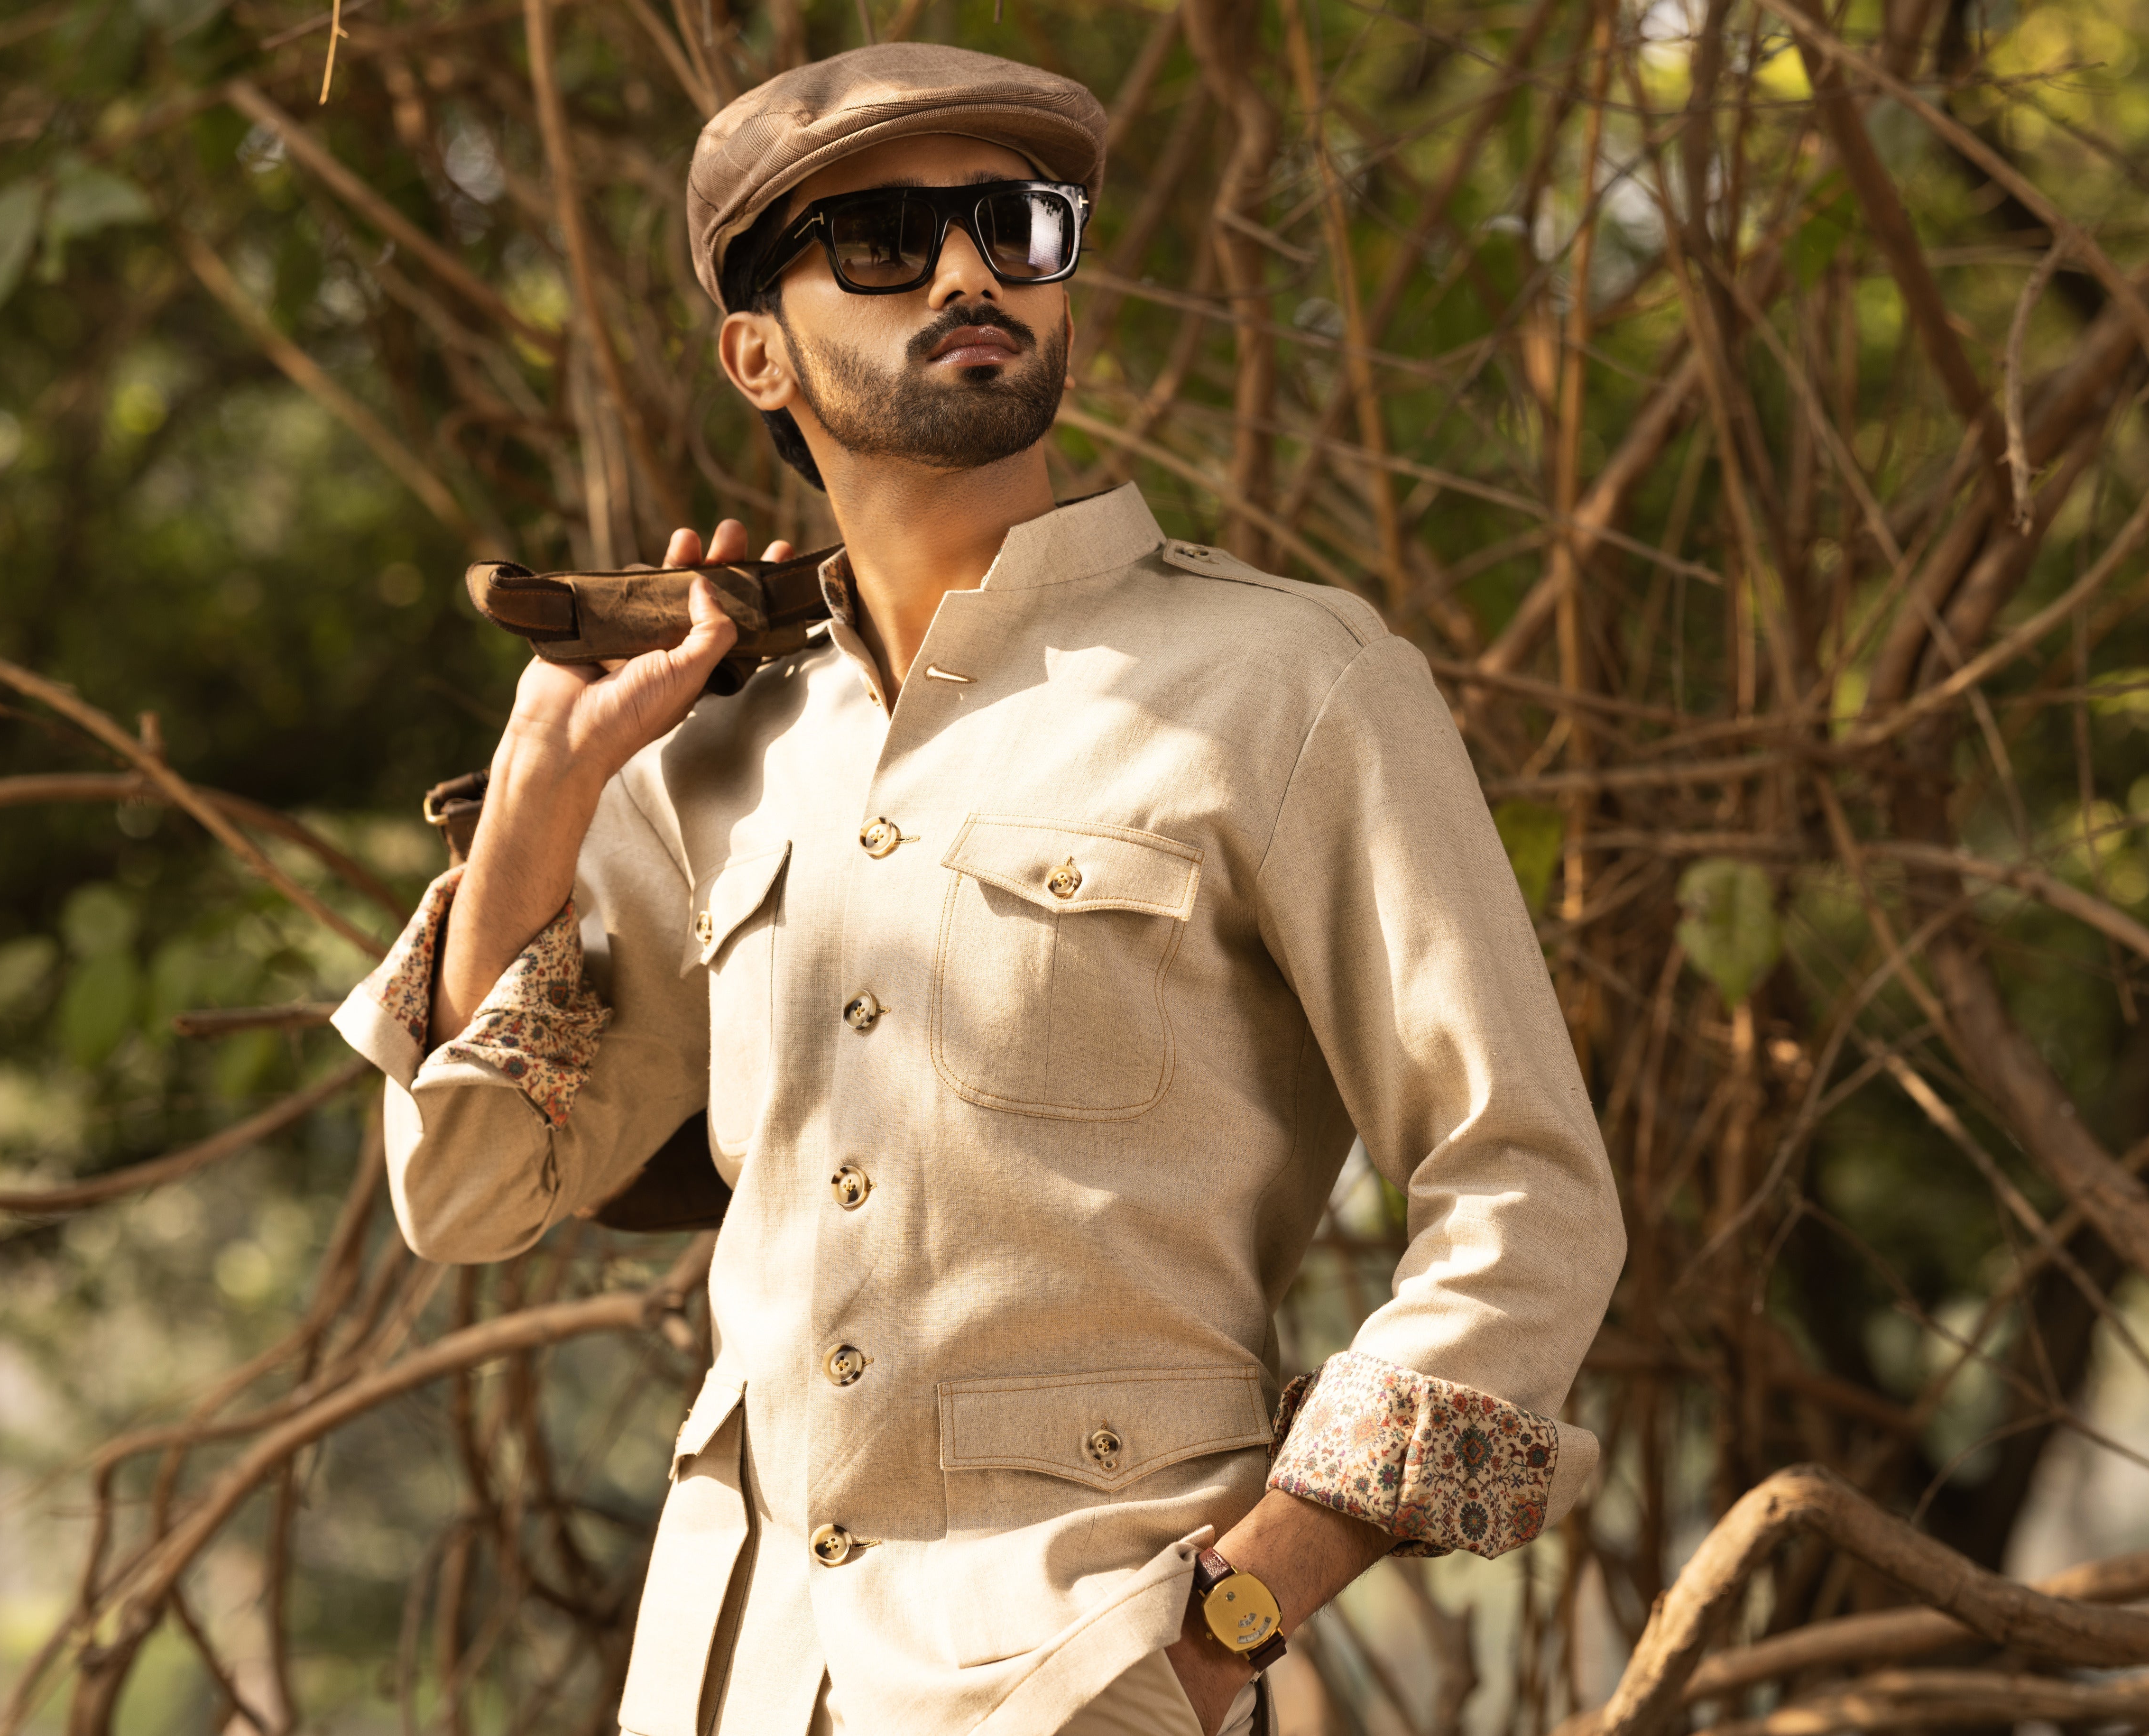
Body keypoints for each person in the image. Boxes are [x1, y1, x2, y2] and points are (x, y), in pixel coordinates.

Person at [332, 40, 1625, 1736]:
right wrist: (540, 795)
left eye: (1019, 227)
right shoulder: (718, 754)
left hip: (1090, 1668)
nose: (966, 272)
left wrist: (1233, 1614)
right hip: (728, 1682)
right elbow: (474, 1193)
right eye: (880, 239)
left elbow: (1526, 1193)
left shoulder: (1290, 685)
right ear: (756, 352)